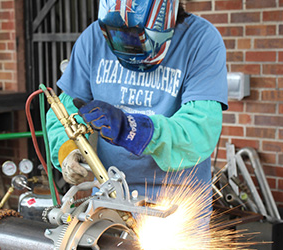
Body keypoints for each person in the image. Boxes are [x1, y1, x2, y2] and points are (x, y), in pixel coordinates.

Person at [46, 0, 228, 202]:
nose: (126, 43)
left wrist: (133, 130)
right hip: (110, 190)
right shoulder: (93, 38)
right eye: (116, 34)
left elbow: (199, 129)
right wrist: (68, 148)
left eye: (134, 34)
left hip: (177, 197)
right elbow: (64, 111)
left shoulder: (200, 39)